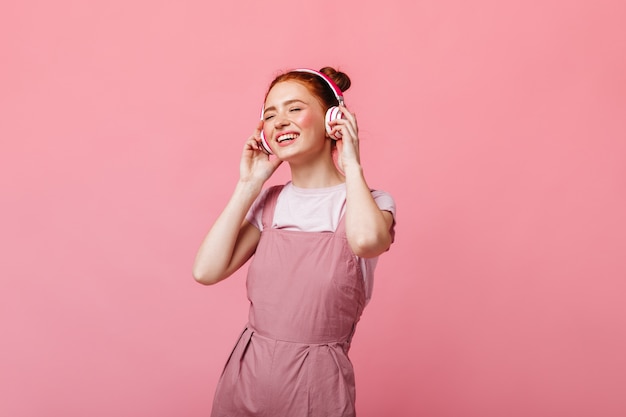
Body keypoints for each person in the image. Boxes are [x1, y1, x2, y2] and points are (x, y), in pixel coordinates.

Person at [192, 67, 396, 417]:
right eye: (270, 114)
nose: (280, 121)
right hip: (244, 383)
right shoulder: (269, 202)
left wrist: (352, 162)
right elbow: (206, 271)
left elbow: (365, 242)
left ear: (334, 120)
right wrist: (248, 185)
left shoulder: (371, 203)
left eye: (294, 108)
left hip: (316, 393)